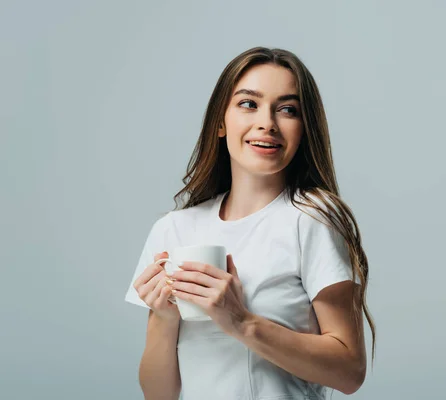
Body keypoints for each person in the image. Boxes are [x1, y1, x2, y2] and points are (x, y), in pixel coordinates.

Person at [124, 46, 376, 400]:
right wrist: (165, 319)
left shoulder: (313, 220)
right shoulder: (173, 230)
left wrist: (241, 322)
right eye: (248, 104)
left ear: (305, 129)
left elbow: (350, 372)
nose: (267, 123)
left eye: (287, 109)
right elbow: (158, 393)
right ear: (220, 123)